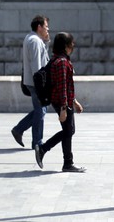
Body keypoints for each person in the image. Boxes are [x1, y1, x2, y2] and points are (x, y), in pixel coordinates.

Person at [34, 32, 86, 172]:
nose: (73, 45)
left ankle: (66, 162)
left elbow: (66, 85)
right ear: (65, 46)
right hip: (61, 102)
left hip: (64, 101)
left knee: (69, 131)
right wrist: (63, 108)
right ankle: (46, 150)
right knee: (68, 131)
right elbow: (62, 85)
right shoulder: (62, 62)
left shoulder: (59, 59)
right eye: (71, 43)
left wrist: (74, 102)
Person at [11, 15, 50, 149]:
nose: (47, 29)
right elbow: (36, 65)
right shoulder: (34, 41)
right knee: (41, 111)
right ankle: (37, 142)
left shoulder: (31, 38)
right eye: (46, 26)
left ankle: (19, 130)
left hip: (33, 82)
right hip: (36, 83)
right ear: (39, 27)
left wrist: (46, 42)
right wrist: (41, 85)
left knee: (40, 110)